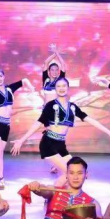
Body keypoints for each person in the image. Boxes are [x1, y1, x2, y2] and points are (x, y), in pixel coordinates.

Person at [11, 77, 110, 188]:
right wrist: (21, 140)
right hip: (48, 143)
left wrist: (109, 132)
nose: (61, 88)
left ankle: (61, 195)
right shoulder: (50, 105)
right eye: (58, 86)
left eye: (64, 86)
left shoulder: (72, 107)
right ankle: (52, 195)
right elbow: (38, 123)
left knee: (75, 171)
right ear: (55, 89)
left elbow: (90, 119)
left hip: (61, 144)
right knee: (68, 173)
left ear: (68, 88)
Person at [41, 44, 68, 174]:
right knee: (50, 139)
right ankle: (55, 163)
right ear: (49, 71)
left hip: (58, 112)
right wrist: (54, 53)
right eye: (52, 69)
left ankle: (57, 164)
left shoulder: (60, 81)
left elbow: (63, 65)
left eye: (57, 70)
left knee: (57, 138)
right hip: (47, 113)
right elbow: (46, 63)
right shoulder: (45, 80)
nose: (55, 71)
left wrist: (57, 54)